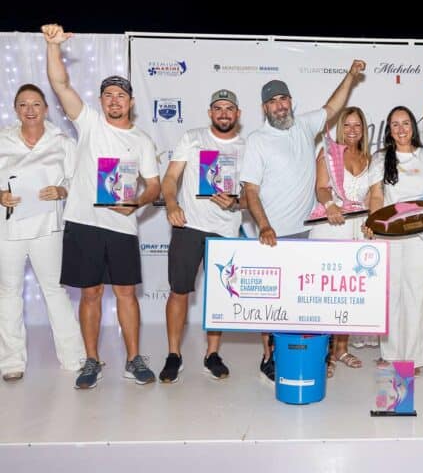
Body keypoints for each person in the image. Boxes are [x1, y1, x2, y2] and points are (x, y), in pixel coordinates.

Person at [43, 24, 161, 389]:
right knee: (90, 294)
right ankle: (91, 360)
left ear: (131, 102)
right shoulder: (90, 124)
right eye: (107, 95)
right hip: (83, 222)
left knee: (126, 294)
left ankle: (133, 359)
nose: (114, 100)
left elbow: (154, 184)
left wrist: (137, 203)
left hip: (123, 226)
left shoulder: (142, 140)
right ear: (101, 102)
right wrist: (53, 47)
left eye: (120, 95)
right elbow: (61, 85)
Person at [241, 60, 366, 381]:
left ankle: (310, 354)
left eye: (283, 99)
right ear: (264, 108)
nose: (280, 106)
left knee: (303, 302)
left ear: (290, 102)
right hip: (275, 236)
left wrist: (350, 76)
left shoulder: (304, 125)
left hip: (310, 234)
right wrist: (265, 226)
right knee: (273, 303)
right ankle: (269, 357)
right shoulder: (257, 140)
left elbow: (333, 107)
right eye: (273, 102)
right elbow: (251, 191)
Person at [158, 89, 245, 384]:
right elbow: (170, 179)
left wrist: (235, 203)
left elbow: (252, 195)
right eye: (218, 108)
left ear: (238, 114)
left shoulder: (248, 146)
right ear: (210, 112)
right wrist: (171, 203)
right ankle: (173, 354)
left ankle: (212, 354)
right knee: (178, 291)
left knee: (220, 296)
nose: (223, 113)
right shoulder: (191, 138)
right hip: (189, 226)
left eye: (229, 108)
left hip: (227, 229)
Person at [0, 84, 86, 382]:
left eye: (36, 104)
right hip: (8, 227)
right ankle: (11, 361)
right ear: (15, 109)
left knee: (55, 290)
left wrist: (61, 190)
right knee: (8, 293)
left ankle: (73, 356)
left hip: (48, 227)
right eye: (23, 104)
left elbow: (81, 182)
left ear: (46, 109)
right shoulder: (2, 139)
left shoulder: (62, 141)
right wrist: (0, 195)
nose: (30, 110)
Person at [365, 106, 423, 376]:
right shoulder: (380, 159)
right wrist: (373, 223)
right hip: (390, 234)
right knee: (391, 294)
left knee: (417, 295)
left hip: (421, 235)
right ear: (389, 130)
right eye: (395, 124)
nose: (400, 129)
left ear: (413, 127)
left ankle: (413, 358)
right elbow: (376, 196)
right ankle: (391, 354)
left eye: (405, 123)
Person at [309, 106, 371, 377]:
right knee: (327, 293)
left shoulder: (369, 157)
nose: (352, 130)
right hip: (332, 227)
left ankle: (341, 349)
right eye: (347, 125)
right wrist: (331, 204)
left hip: (358, 229)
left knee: (349, 293)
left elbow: (371, 195)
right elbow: (321, 187)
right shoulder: (329, 152)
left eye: (357, 126)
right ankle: (324, 354)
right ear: (340, 128)